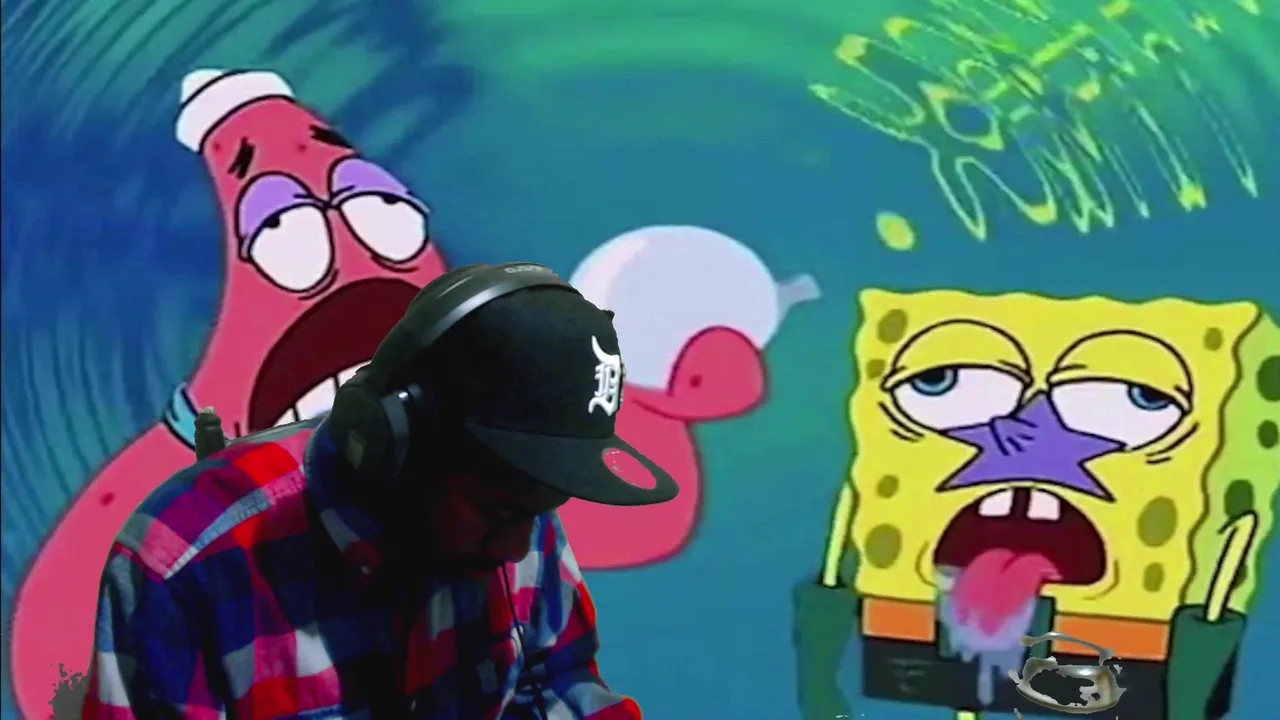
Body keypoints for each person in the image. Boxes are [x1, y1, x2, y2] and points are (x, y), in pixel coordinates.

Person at [80, 262, 680, 719]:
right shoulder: (187, 561)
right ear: (396, 445)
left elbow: (556, 685)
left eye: (540, 506)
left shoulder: (515, 509)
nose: (518, 545)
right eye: (499, 511)